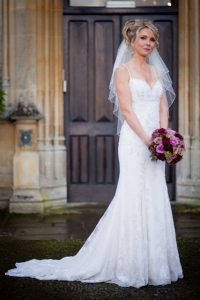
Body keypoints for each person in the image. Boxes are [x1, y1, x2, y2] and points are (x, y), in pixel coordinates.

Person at [5, 19, 183, 288]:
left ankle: (156, 264)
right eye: (144, 38)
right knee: (133, 193)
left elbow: (163, 110)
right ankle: (130, 263)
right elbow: (126, 110)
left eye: (152, 39)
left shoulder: (157, 73)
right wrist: (149, 141)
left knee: (155, 194)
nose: (148, 43)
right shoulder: (122, 71)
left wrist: (165, 139)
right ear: (132, 41)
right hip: (135, 142)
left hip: (155, 144)